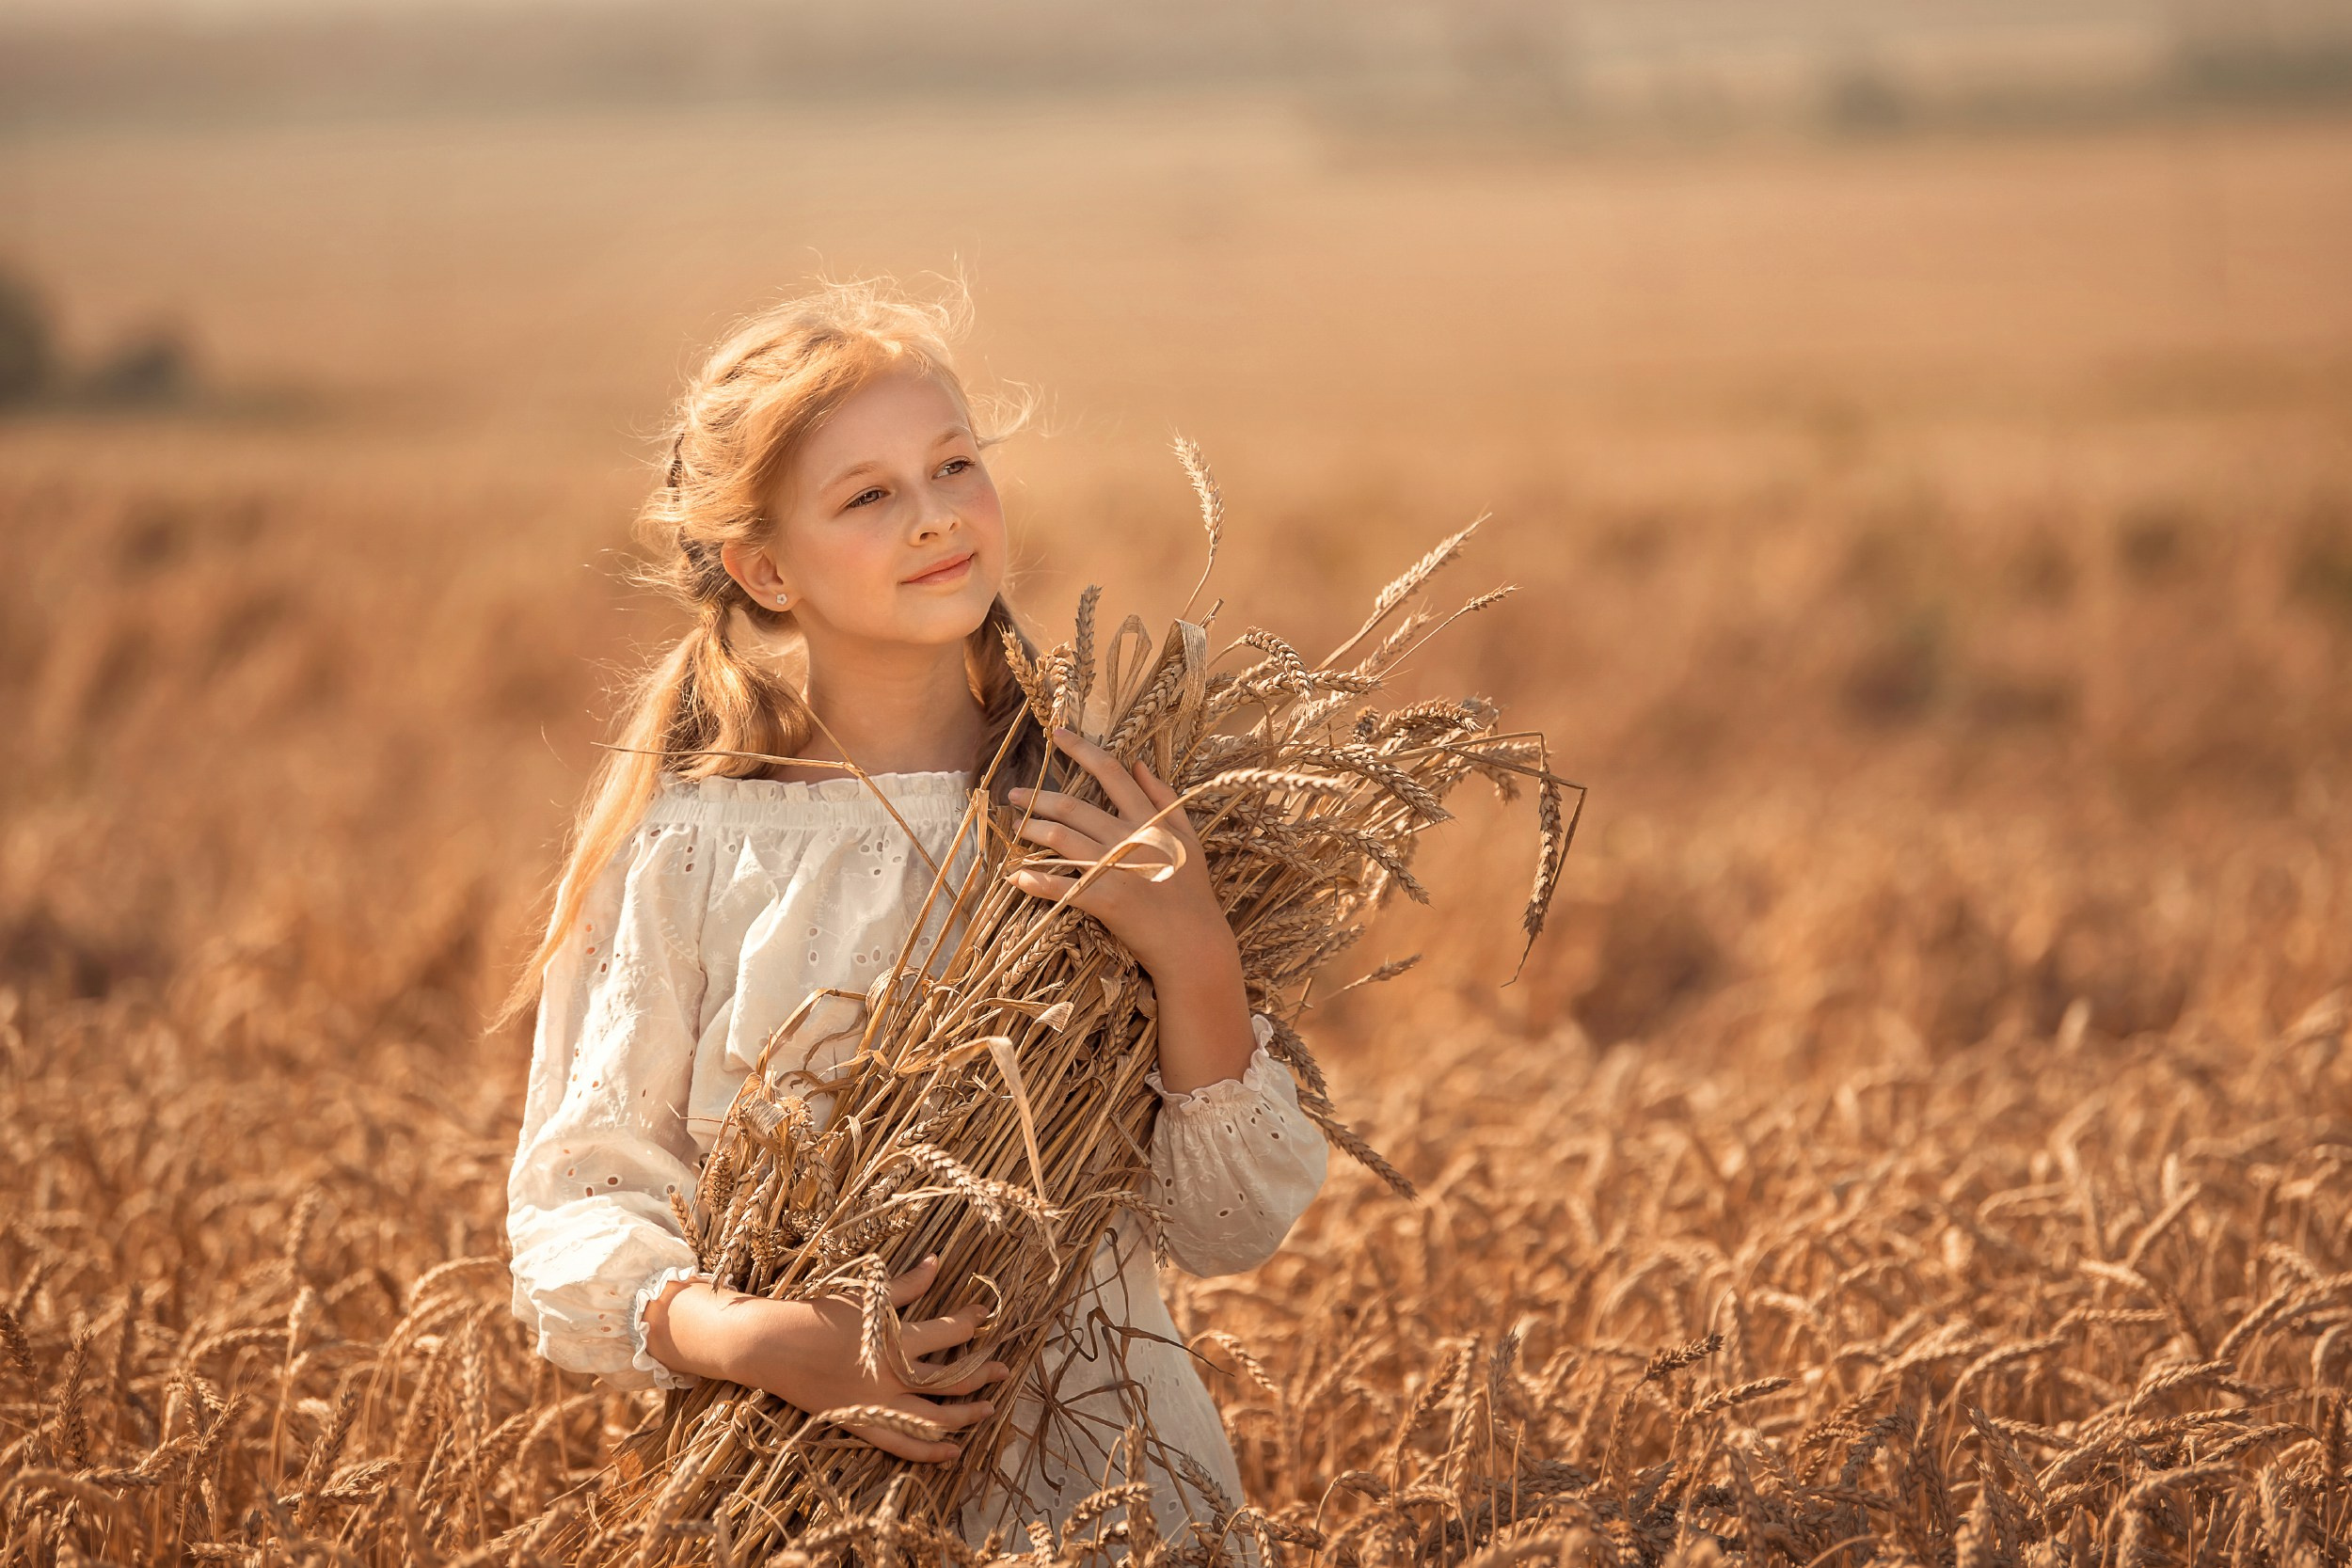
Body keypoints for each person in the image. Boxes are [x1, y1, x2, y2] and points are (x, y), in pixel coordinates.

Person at [491, 278, 1329, 1553]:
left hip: (1110, 1495)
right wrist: (764, 1339)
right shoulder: (691, 850)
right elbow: (574, 1205)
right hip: (800, 1508)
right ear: (763, 568)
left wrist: (1192, 947)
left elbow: (1230, 1226)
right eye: (869, 495)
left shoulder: (1097, 817)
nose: (935, 517)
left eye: (955, 466)